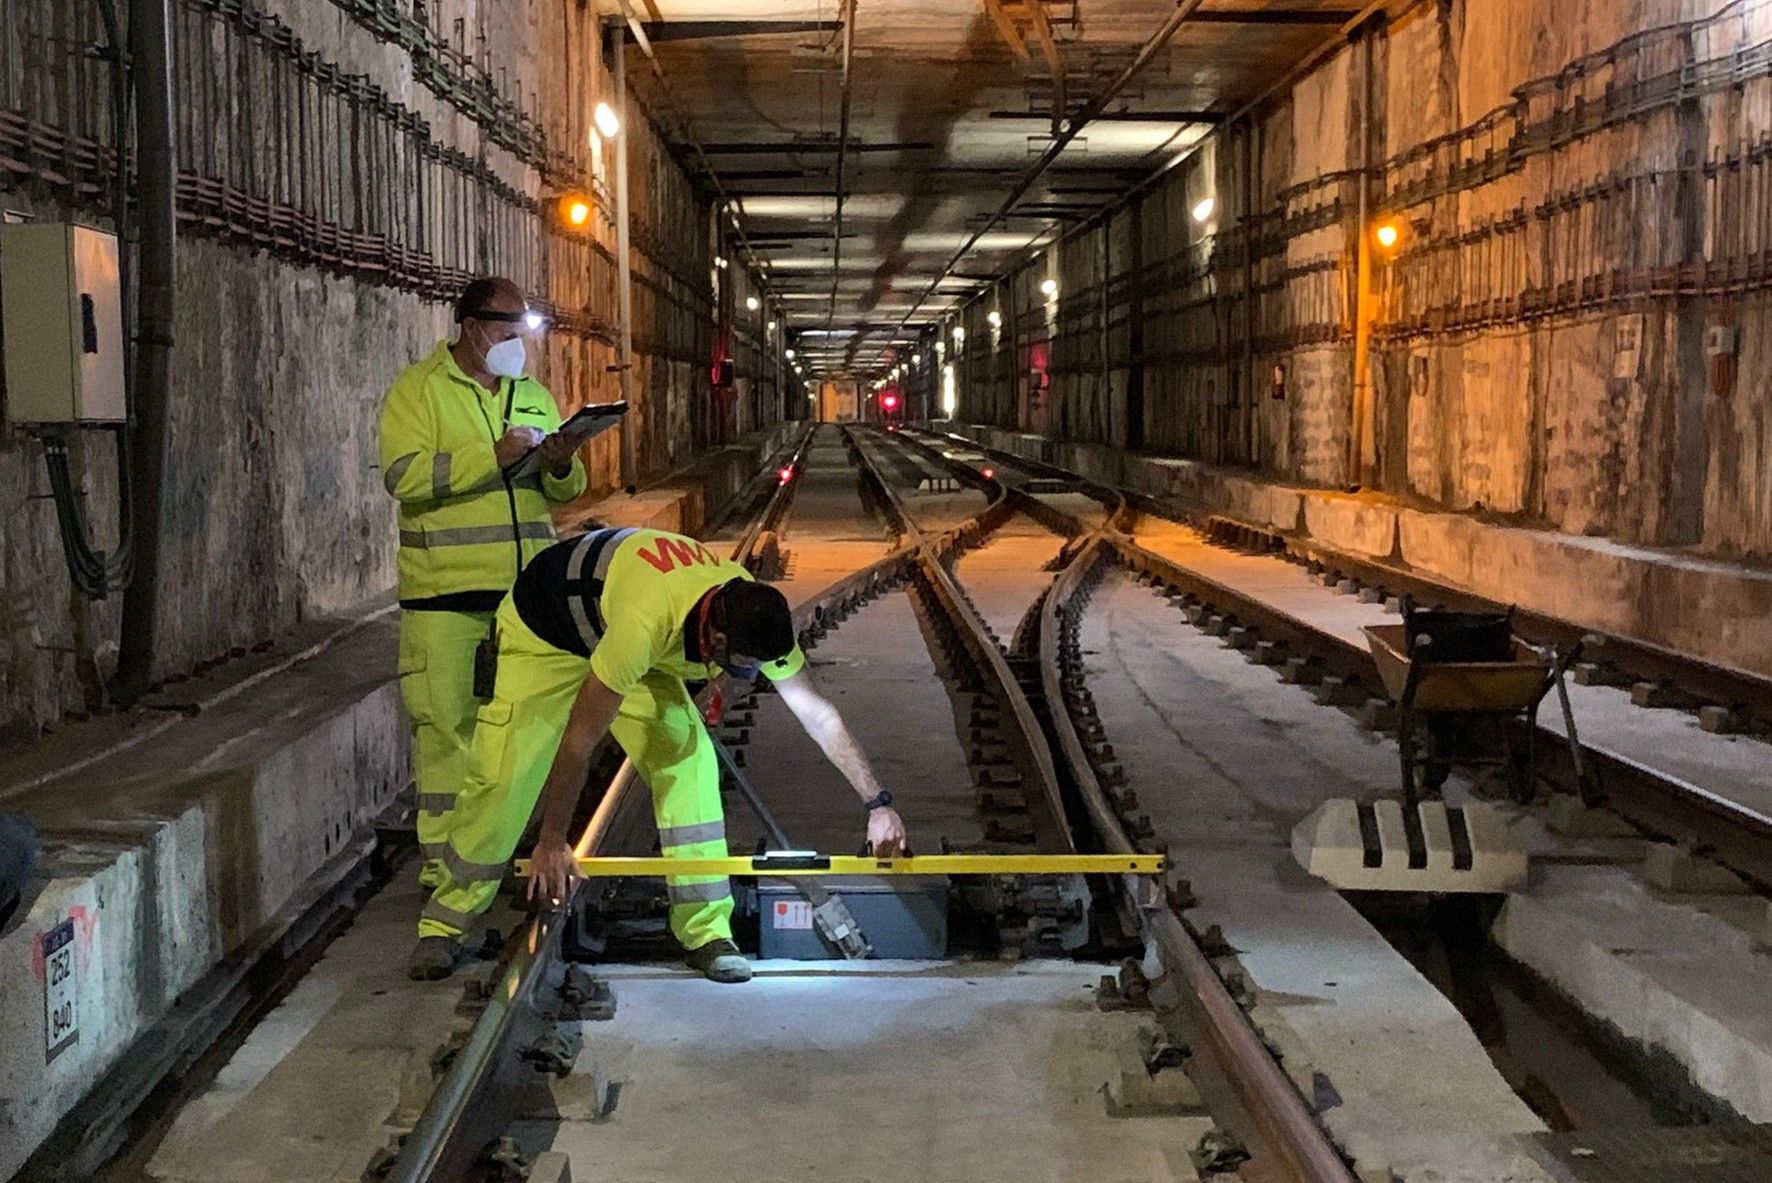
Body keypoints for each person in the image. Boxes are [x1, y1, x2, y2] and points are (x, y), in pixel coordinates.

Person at [411, 525, 908, 983]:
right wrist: (553, 839)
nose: (754, 673)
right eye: (743, 666)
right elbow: (580, 739)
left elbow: (818, 714)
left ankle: (706, 932)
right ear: (716, 640)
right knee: (505, 777)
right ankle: (445, 924)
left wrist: (877, 803)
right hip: (545, 634)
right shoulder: (645, 621)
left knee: (687, 760)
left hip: (622, 629)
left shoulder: (748, 609)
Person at [379, 278, 587, 892]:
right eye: (506, 329)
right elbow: (403, 475)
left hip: (523, 600)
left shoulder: (533, 395)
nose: (516, 342)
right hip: (445, 599)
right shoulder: (418, 393)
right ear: (472, 328)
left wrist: (561, 463)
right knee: (448, 740)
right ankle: (448, 880)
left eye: (522, 329)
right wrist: (490, 456)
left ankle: (501, 861)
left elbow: (565, 493)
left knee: (518, 735)